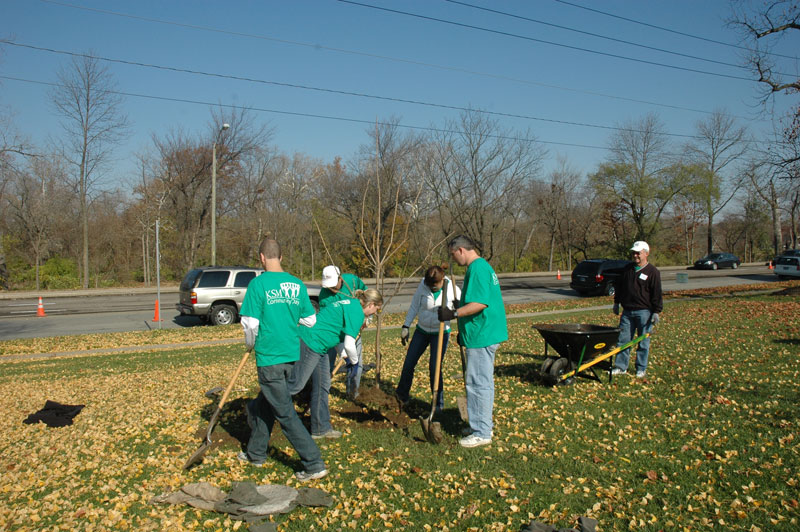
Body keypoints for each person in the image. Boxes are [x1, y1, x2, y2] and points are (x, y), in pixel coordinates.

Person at [237, 238, 328, 482]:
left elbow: (250, 323)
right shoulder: (297, 285)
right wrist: (288, 320)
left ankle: (314, 463)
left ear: (261, 258)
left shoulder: (258, 284)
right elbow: (310, 320)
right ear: (282, 257)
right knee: (265, 404)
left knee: (286, 413)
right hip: (291, 357)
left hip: (269, 358)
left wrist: (250, 343)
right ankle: (256, 453)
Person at [438, 235, 507, 448]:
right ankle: (480, 424)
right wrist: (462, 305)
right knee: (478, 382)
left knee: (478, 384)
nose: (454, 259)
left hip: (483, 334)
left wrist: (454, 313)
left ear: (460, 250)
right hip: (480, 332)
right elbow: (475, 300)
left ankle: (482, 432)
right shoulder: (481, 267)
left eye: (453, 254)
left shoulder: (477, 269)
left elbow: (480, 303)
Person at [288, 288, 383, 439]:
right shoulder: (357, 312)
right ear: (371, 304)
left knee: (323, 385)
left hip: (321, 346)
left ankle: (320, 429)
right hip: (310, 342)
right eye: (376, 310)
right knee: (296, 385)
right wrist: (355, 363)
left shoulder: (351, 304)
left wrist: (346, 357)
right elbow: (350, 344)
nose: (374, 314)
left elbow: (337, 333)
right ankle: (261, 409)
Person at [395, 265, 461, 412]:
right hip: (422, 331)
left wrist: (457, 309)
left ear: (442, 280)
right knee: (409, 364)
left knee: (434, 368)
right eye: (429, 285)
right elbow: (414, 306)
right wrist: (406, 326)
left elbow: (462, 311)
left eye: (435, 286)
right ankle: (401, 396)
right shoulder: (423, 286)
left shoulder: (453, 290)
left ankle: (438, 404)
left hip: (440, 333)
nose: (432, 288)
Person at [611, 240, 663, 379]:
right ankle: (621, 367)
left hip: (644, 312)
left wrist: (656, 312)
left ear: (646, 253)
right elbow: (620, 288)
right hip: (627, 312)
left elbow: (656, 293)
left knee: (643, 342)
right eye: (634, 253)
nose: (635, 256)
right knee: (623, 340)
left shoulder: (653, 272)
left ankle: (641, 368)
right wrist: (616, 303)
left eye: (638, 253)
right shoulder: (627, 269)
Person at [318, 265, 368, 399]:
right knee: (325, 365)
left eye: (334, 285)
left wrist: (366, 318)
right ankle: (321, 393)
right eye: (329, 287)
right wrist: (342, 348)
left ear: (340, 278)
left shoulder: (351, 281)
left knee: (356, 363)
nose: (332, 289)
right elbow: (326, 322)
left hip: (352, 330)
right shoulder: (324, 295)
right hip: (332, 335)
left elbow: (367, 294)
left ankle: (352, 393)